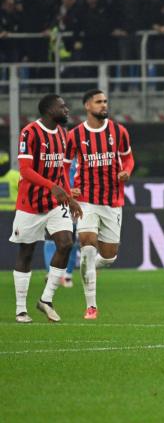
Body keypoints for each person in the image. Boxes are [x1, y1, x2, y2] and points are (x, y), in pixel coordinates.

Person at [9, 94, 83, 323]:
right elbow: (26, 170)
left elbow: (61, 169)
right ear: (50, 110)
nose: (67, 109)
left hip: (55, 202)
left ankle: (46, 300)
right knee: (26, 253)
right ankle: (21, 309)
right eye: (63, 107)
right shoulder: (29, 133)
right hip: (30, 204)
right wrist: (53, 187)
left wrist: (69, 197)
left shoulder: (62, 134)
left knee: (66, 243)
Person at [65, 89, 135, 320]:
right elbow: (64, 166)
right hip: (85, 199)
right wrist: (68, 189)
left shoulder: (119, 131)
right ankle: (91, 306)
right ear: (87, 106)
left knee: (108, 256)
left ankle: (88, 270)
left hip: (112, 201)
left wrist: (127, 171)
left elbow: (128, 158)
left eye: (105, 101)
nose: (104, 105)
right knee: (86, 245)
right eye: (99, 102)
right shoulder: (75, 135)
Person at [43, 158, 79, 287]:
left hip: (76, 202)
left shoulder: (83, 155)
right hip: (55, 201)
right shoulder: (55, 157)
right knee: (51, 237)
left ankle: (68, 274)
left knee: (72, 238)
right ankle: (51, 273)